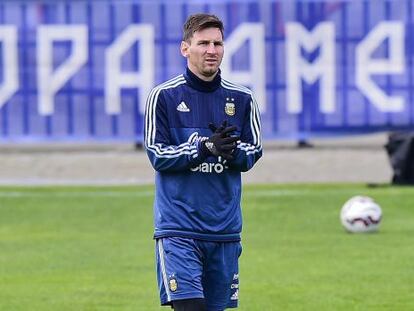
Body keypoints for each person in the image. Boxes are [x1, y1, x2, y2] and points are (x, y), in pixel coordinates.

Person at [144, 13, 262, 311]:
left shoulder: (242, 98)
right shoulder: (164, 97)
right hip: (178, 229)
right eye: (203, 43)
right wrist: (203, 147)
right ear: (185, 48)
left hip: (224, 231)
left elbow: (254, 150)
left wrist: (230, 151)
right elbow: (157, 154)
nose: (212, 50)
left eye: (218, 43)